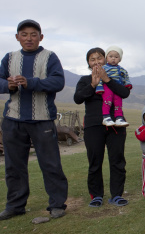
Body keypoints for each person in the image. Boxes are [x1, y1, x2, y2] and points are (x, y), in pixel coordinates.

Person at [0, 19, 68, 220]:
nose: (29, 38)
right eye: (24, 34)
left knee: (50, 164)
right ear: (17, 37)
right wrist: (9, 86)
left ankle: (57, 204)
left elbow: (58, 81)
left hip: (42, 119)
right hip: (13, 118)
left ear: (41, 37)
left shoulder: (49, 57)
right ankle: (15, 205)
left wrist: (30, 82)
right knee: (13, 165)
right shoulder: (9, 58)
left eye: (33, 34)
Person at [74, 47, 130, 207]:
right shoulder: (84, 80)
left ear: (105, 60)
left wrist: (107, 80)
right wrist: (92, 84)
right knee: (95, 161)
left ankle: (117, 195)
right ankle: (96, 195)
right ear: (88, 63)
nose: (96, 61)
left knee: (117, 161)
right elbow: (78, 98)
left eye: (99, 58)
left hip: (116, 125)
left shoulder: (116, 78)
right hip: (93, 126)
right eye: (92, 59)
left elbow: (125, 93)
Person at [96, 45, 132, 127]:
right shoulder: (103, 68)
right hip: (107, 87)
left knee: (118, 102)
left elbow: (126, 77)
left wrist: (127, 84)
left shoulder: (122, 70)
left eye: (116, 57)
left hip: (117, 87)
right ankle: (106, 117)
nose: (113, 58)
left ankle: (119, 118)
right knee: (107, 100)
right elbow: (99, 79)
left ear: (120, 59)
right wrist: (99, 88)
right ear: (106, 57)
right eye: (111, 56)